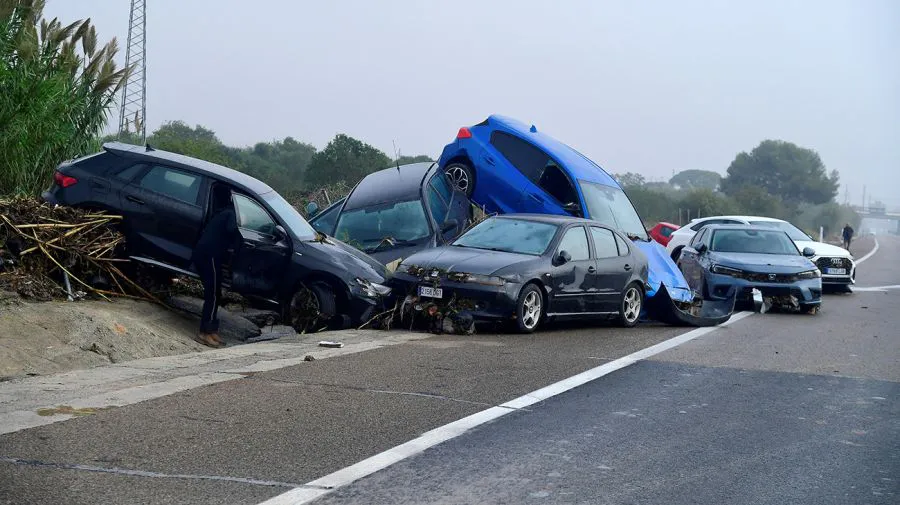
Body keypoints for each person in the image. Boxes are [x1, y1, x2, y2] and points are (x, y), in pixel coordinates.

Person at [192, 186, 242, 347]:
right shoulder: (230, 214)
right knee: (212, 294)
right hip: (209, 255)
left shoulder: (223, 212)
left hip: (209, 254)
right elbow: (233, 230)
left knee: (216, 293)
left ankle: (212, 330)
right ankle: (204, 333)